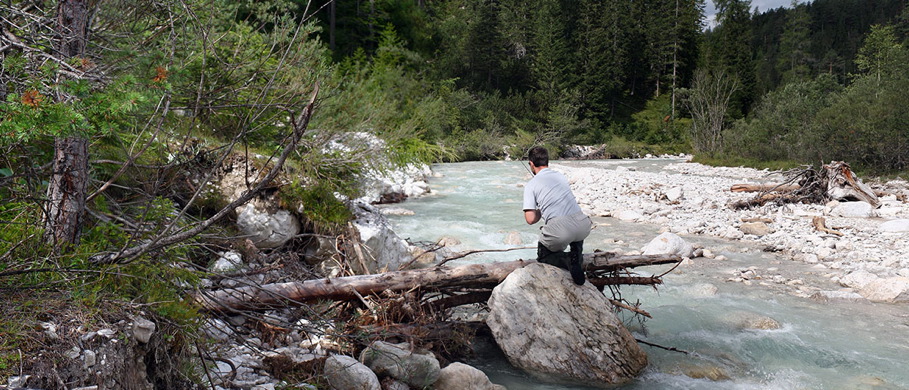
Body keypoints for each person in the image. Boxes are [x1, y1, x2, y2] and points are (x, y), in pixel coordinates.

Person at [522, 146, 592, 285]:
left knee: (543, 257)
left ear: (531, 163)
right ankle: (576, 256)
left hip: (561, 231)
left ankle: (568, 261)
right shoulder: (560, 176)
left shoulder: (531, 185)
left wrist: (540, 209)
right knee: (573, 228)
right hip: (583, 225)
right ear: (547, 161)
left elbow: (530, 219)